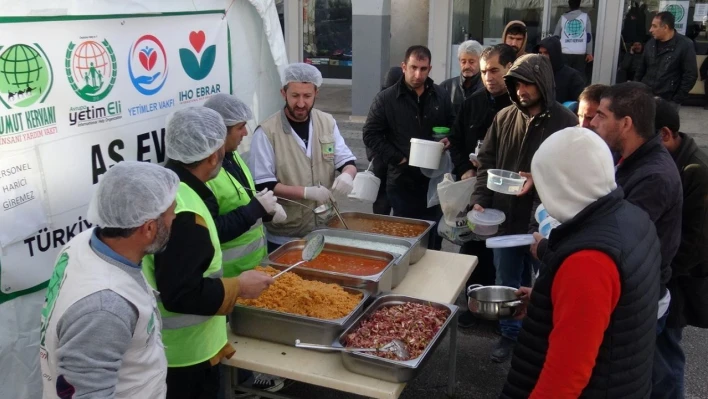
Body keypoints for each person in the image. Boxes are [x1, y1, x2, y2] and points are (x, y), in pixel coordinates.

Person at [501, 127, 661, 399]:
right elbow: (615, 309)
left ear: (561, 184)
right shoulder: (632, 218)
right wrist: (548, 300)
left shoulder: (587, 260)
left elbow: (564, 380)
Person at [143, 107, 275, 399]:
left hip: (188, 347)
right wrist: (239, 286)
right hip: (185, 356)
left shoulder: (172, 189)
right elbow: (180, 293)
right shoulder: (184, 213)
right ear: (213, 156)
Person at [39, 161, 180, 398]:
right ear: (148, 228)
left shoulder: (82, 244)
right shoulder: (106, 307)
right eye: (170, 213)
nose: (175, 218)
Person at [471, 54, 578, 362]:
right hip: (503, 221)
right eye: (516, 83)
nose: (521, 90)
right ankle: (509, 335)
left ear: (543, 82)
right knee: (506, 279)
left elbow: (571, 175)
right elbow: (486, 163)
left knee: (547, 284)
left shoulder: (566, 123)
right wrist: (480, 200)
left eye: (527, 83)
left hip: (545, 225)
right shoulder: (504, 117)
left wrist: (540, 185)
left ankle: (541, 339)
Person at [590, 83, 683, 399]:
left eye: (601, 116)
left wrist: (551, 248)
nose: (592, 122)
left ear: (626, 123)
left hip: (639, 301)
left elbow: (617, 243)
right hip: (630, 294)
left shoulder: (653, 176)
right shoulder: (628, 159)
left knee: (651, 382)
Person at [249, 63, 357, 251]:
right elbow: (264, 184)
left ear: (316, 93)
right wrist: (306, 192)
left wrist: (348, 174)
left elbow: (347, 161)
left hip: (325, 227)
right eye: (295, 96)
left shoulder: (327, 122)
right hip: (286, 235)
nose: (300, 103)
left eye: (307, 96)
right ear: (283, 93)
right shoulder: (267, 132)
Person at [448, 44, 517, 328]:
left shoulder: (517, 106)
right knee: (472, 249)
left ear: (510, 69)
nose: (489, 77)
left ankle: (503, 313)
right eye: (485, 71)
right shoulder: (473, 102)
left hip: (507, 194)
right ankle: (474, 306)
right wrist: (464, 168)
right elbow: (456, 140)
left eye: (495, 71)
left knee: (502, 255)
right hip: (474, 188)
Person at [362, 45, 455, 250]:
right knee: (405, 241)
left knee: (432, 242)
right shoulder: (386, 98)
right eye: (413, 67)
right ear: (403, 66)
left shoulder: (441, 96)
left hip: (433, 181)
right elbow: (370, 134)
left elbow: (453, 125)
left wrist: (449, 138)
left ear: (429, 69)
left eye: (423, 69)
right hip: (401, 181)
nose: (417, 74)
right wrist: (399, 158)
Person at [656, 97, 708, 398]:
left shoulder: (696, 170)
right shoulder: (673, 160)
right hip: (667, 274)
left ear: (665, 134)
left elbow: (694, 243)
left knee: (667, 354)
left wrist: (661, 274)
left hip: (678, 280)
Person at [204, 94, 284, 278]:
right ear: (220, 131)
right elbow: (211, 231)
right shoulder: (206, 173)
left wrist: (266, 210)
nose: (246, 133)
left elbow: (242, 195)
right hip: (229, 276)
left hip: (255, 266)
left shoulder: (232, 155)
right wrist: (254, 210)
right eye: (240, 127)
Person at [635, 11, 698, 109]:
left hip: (668, 100)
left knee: (663, 124)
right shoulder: (650, 43)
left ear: (665, 27)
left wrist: (676, 100)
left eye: (654, 26)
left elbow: (690, 75)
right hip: (646, 97)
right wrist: (637, 89)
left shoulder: (685, 45)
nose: (650, 30)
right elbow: (641, 69)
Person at [370, 66, 404, 216]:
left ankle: (380, 231)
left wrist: (373, 156)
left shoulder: (379, 98)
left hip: (380, 159)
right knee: (395, 201)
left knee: (381, 202)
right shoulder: (399, 100)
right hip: (394, 159)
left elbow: (370, 132)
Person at [533, 35, 585, 103]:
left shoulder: (572, 77)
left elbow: (580, 102)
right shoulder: (535, 73)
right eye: (540, 53)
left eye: (546, 53)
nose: (542, 56)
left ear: (554, 54)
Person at [439, 40, 485, 113]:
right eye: (463, 61)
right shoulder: (446, 87)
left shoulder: (487, 87)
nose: (467, 66)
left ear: (480, 61)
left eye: (471, 62)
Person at [553, 0, 594, 77]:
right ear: (579, 4)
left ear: (569, 5)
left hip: (565, 52)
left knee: (564, 76)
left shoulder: (563, 17)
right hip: (580, 52)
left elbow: (556, 36)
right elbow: (588, 36)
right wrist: (589, 53)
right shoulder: (585, 17)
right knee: (578, 77)